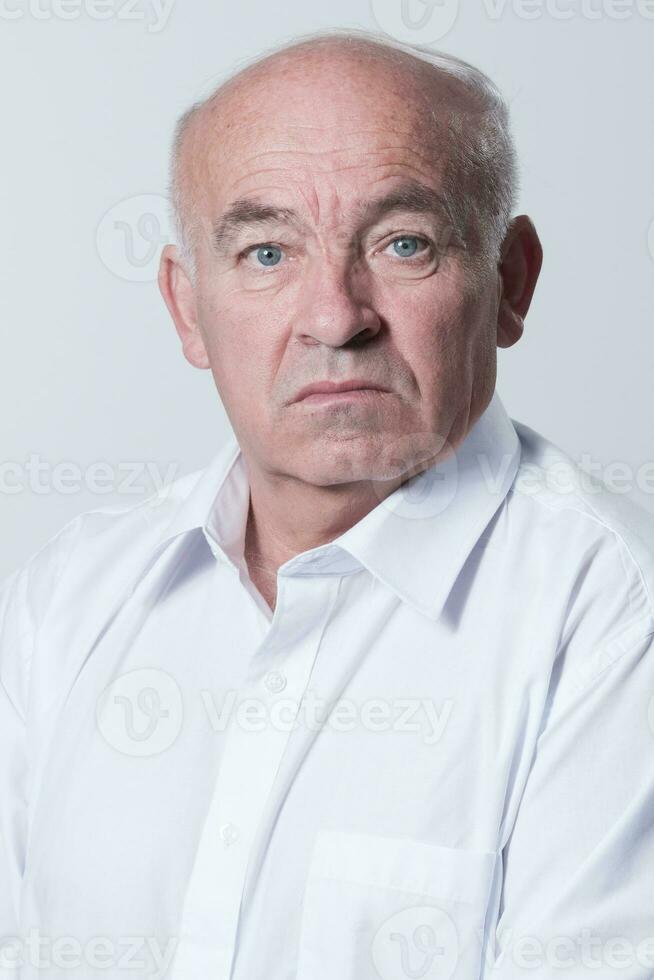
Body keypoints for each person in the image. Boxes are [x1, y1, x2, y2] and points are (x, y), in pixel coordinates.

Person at [2, 26, 653, 980]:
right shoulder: (71, 598)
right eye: (267, 252)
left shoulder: (612, 620)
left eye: (404, 243)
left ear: (510, 284)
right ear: (188, 307)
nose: (336, 317)